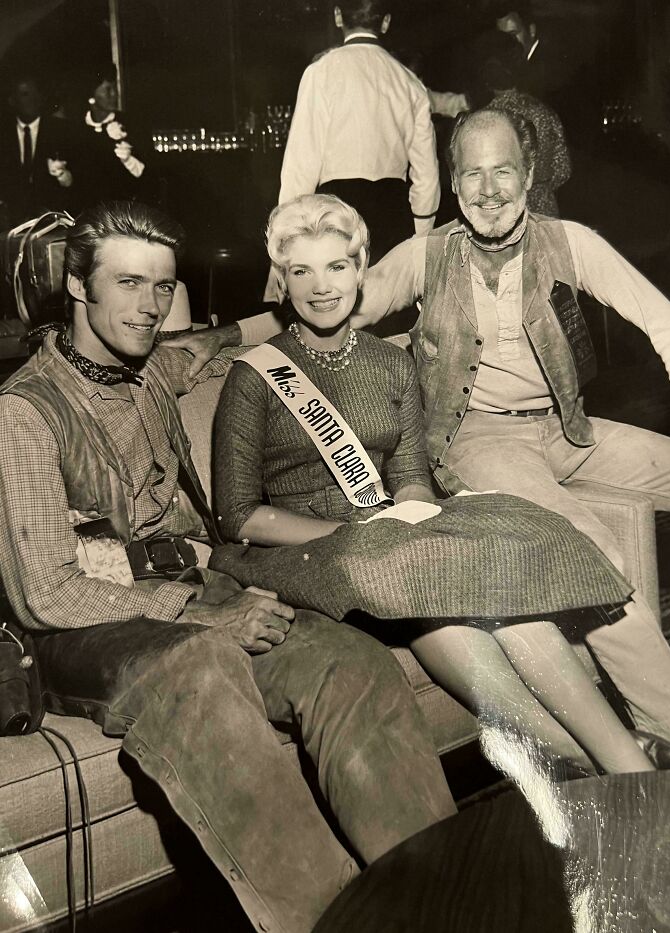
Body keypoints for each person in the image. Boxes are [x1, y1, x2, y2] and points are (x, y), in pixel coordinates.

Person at [181, 109, 670, 759]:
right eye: (472, 174)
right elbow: (325, 297)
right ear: (453, 185)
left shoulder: (571, 242)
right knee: (591, 551)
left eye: (503, 171)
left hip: (568, 427)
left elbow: (668, 321)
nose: (488, 190)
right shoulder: (426, 255)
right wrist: (217, 337)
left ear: (530, 174)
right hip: (480, 440)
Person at [0, 200, 458, 933]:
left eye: (162, 285)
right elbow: (47, 593)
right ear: (79, 287)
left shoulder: (154, 364)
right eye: (127, 284)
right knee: (203, 663)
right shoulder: (24, 412)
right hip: (88, 627)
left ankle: (448, 902)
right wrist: (202, 613)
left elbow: (224, 337)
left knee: (347, 659)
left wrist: (304, 289)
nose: (150, 307)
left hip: (194, 586)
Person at [275, 0, 440, 265]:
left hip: (336, 217)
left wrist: (286, 239)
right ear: (385, 22)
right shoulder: (409, 81)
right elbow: (427, 173)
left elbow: (301, 164)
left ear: (338, 16)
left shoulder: (321, 72)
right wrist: (421, 235)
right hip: (392, 216)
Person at [476, 30, 571, 215]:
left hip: (502, 211)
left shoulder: (482, 122)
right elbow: (563, 169)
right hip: (543, 211)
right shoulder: (544, 113)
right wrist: (539, 189)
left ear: (486, 78)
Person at [0, 73, 75, 225]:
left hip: (53, 219)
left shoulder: (61, 130)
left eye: (36, 93)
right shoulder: (3, 134)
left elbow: (76, 178)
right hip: (10, 222)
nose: (33, 99)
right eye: (25, 94)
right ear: (12, 101)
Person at [76, 66, 150, 205]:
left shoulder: (130, 124)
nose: (114, 94)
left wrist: (127, 158)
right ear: (91, 97)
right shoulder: (77, 128)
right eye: (108, 89)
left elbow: (146, 177)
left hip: (124, 210)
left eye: (115, 88)